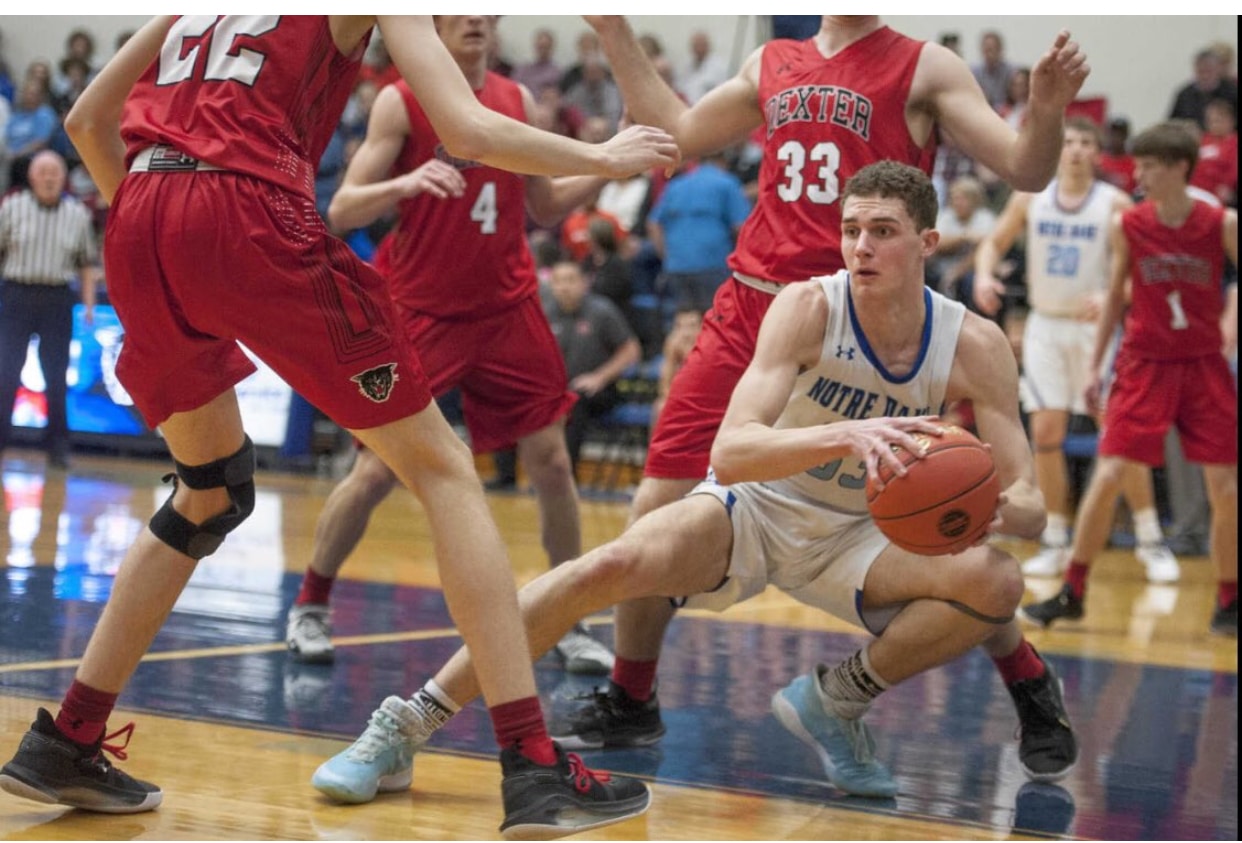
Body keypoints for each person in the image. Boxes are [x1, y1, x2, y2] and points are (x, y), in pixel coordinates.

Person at [0, 15, 677, 836]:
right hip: (247, 209)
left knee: (209, 492)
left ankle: (67, 735)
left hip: (139, 211)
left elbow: (83, 122)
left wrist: (169, 228)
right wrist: (601, 157)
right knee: (443, 468)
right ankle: (532, 761)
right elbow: (464, 128)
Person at [310, 162, 1077, 807]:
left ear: (928, 242)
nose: (861, 246)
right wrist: (847, 433)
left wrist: (998, 507)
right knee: (605, 568)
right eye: (851, 230)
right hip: (761, 506)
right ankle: (405, 725)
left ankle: (837, 701)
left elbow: (1036, 509)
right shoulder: (808, 307)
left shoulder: (972, 344)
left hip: (863, 533)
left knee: (996, 579)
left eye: (882, 231)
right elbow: (735, 449)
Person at [559, 13, 1088, 765]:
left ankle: (1026, 677)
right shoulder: (772, 60)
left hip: (864, 319)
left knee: (939, 514)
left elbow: (1026, 169)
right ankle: (632, 694)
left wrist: (1047, 108)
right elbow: (676, 126)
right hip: (755, 307)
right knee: (653, 507)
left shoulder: (925, 66)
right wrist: (613, 29)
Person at [284, 16, 617, 676]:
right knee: (377, 469)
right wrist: (403, 185)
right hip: (424, 311)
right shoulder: (401, 99)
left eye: (483, 10)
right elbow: (344, 208)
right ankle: (311, 602)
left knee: (551, 460)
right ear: (430, 22)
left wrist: (609, 164)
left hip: (507, 305)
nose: (473, 18)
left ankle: (570, 618)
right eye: (456, 8)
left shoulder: (514, 100)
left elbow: (545, 207)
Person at [1021, 122, 1238, 637]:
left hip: (1203, 362)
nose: (1137, 175)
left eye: (1148, 167)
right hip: (1143, 362)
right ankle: (1073, 590)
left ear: (1179, 168)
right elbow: (1116, 295)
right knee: (1109, 471)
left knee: (1224, 486)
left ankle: (1228, 599)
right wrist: (1097, 367)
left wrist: (1230, 324)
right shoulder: (1131, 224)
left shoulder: (1220, 221)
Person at [973, 117, 1180, 583]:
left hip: (1095, 333)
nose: (1076, 149)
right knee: (1046, 431)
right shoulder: (1031, 198)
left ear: (1098, 152)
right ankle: (1056, 538)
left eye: (1087, 141)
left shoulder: (1116, 203)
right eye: (1068, 141)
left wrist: (1116, 294)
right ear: (1057, 148)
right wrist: (985, 275)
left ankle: (1150, 539)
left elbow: (1144, 270)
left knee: (1119, 434)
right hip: (1046, 325)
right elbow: (994, 243)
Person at [0, 149, 100, 470]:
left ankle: (58, 447)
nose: (49, 178)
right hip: (17, 294)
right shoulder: (11, 207)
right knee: (6, 374)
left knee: (56, 377)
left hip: (57, 298)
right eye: (43, 173)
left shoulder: (77, 215)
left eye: (55, 173)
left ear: (64, 179)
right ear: (31, 176)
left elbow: (86, 263)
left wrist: (88, 304)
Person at [543, 257, 641, 476]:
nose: (564, 286)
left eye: (570, 280)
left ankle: (566, 477)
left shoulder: (601, 311)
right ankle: (508, 478)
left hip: (599, 391)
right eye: (558, 281)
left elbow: (631, 350)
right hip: (554, 390)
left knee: (573, 401)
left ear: (583, 282)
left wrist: (600, 376)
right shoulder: (546, 313)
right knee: (513, 398)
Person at [648, 150, 753, 314]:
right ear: (723, 162)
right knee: (717, 319)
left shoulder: (676, 185)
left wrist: (667, 256)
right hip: (714, 264)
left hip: (677, 265)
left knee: (684, 323)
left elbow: (653, 223)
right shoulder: (726, 182)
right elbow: (742, 227)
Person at [1168, 48, 1238, 131]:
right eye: (1201, 71)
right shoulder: (1185, 94)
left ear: (1218, 69)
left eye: (1209, 71)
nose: (1205, 76)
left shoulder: (1232, 92)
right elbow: (1172, 123)